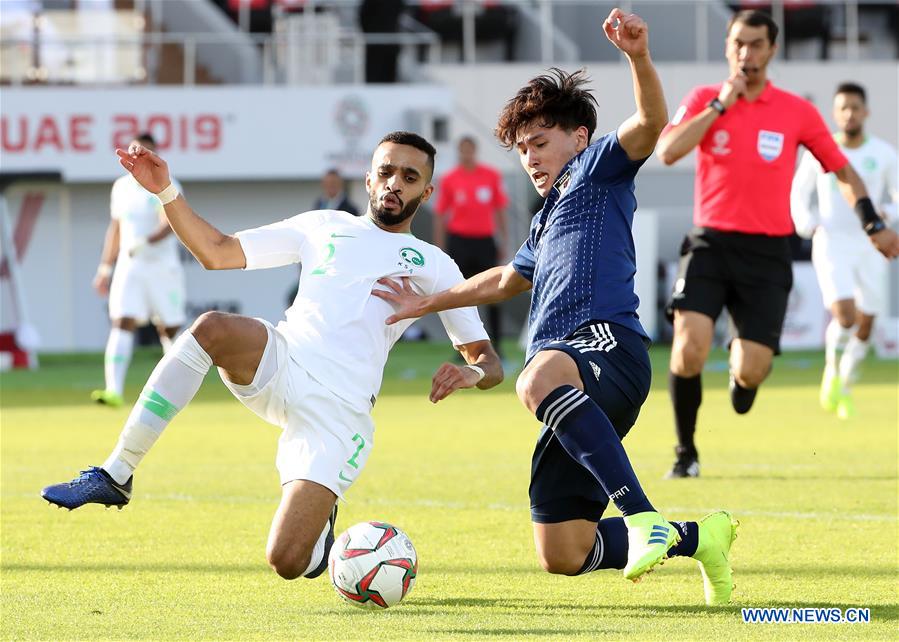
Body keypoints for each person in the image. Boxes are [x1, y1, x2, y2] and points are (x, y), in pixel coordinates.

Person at [373, 10, 738, 606]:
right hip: (572, 377)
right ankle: (700, 537)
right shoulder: (544, 219)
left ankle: (644, 515)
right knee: (562, 551)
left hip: (606, 347)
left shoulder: (598, 169)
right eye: (521, 150)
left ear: (578, 138)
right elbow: (505, 278)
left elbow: (650, 122)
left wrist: (639, 58)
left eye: (540, 143)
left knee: (535, 374)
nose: (531, 158)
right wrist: (428, 302)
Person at [41, 131, 503, 583]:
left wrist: (470, 371)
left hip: (338, 413)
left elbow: (489, 362)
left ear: (428, 189)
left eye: (409, 176)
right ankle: (116, 473)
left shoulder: (435, 264)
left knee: (286, 560)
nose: (394, 184)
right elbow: (217, 253)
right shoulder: (323, 226)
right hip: (284, 363)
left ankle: (320, 531)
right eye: (386, 172)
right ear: (368, 179)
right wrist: (166, 190)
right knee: (211, 328)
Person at [655, 10, 899, 479]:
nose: (746, 53)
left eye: (756, 45)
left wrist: (872, 224)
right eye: (738, 44)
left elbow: (843, 172)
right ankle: (686, 454)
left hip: (767, 253)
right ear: (728, 47)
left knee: (752, 373)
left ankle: (740, 374)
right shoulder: (705, 98)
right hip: (710, 243)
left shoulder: (796, 111)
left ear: (772, 50)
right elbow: (667, 151)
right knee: (688, 348)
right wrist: (718, 108)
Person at [791, 82, 898, 420]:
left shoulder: (883, 153)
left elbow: (897, 198)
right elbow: (798, 192)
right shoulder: (818, 152)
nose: (849, 113)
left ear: (865, 112)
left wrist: (887, 215)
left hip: (870, 246)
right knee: (845, 316)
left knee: (866, 325)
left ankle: (846, 385)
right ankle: (831, 372)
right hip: (832, 243)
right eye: (843, 108)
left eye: (855, 107)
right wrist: (807, 223)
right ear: (835, 114)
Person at [90, 133, 186, 408]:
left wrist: (147, 242)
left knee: (169, 329)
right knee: (122, 320)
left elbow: (170, 222)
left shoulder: (166, 182)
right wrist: (105, 268)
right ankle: (113, 391)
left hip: (161, 266)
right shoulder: (120, 187)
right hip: (130, 265)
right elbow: (116, 228)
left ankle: (178, 392)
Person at [434, 136, 509, 349]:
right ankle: (464, 347)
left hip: (485, 241)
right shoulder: (450, 178)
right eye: (463, 150)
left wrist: (503, 239)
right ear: (459, 151)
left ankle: (497, 345)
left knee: (495, 291)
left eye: (470, 149)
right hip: (459, 241)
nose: (466, 154)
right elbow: (440, 214)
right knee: (461, 295)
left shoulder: (490, 175)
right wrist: (440, 247)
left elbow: (500, 210)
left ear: (475, 150)